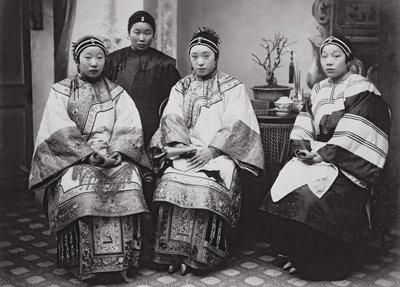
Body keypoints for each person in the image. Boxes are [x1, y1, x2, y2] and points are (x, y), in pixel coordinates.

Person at [260, 35, 391, 281]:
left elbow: (358, 129)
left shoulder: (362, 88)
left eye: (336, 56)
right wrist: (302, 149)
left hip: (347, 162)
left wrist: (323, 155)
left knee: (313, 199)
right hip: (317, 155)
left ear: (348, 59)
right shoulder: (319, 88)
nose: (328, 61)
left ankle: (321, 264)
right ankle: (298, 255)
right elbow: (305, 121)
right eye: (324, 56)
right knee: (286, 186)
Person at [28, 35, 151, 281]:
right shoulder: (61, 91)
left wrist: (117, 151)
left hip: (113, 155)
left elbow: (128, 125)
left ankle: (123, 261)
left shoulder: (117, 92)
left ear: (105, 60)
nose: (94, 63)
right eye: (88, 57)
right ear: (77, 60)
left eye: (99, 57)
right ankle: (82, 261)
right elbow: (58, 130)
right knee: (78, 186)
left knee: (130, 179)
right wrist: (89, 155)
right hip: (76, 159)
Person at [148, 27, 265, 275]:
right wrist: (180, 148)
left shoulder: (232, 87)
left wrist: (212, 151)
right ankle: (171, 253)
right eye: (194, 56)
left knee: (206, 187)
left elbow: (237, 123)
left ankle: (202, 255)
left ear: (216, 57)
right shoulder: (181, 87)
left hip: (221, 155)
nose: (199, 62)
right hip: (186, 152)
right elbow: (172, 118)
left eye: (206, 56)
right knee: (171, 181)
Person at [104, 10, 181, 211]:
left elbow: (176, 99)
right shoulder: (112, 61)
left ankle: (151, 224)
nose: (141, 37)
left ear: (154, 35)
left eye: (147, 32)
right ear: (128, 32)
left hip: (152, 128)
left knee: (151, 178)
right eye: (136, 32)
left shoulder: (164, 64)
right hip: (121, 129)